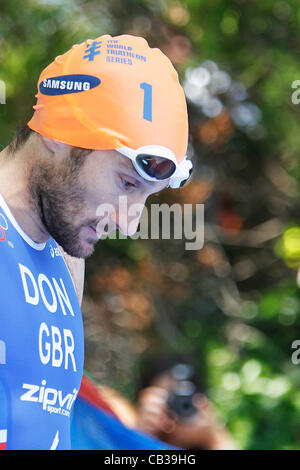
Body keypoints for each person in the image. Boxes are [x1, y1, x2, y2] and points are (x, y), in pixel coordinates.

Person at [0, 34, 193, 450]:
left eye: (147, 196)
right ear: (59, 133)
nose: (128, 222)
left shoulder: (67, 258)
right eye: (126, 182)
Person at [134, 353, 237, 450]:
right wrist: (140, 436)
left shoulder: (210, 438)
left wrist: (213, 437)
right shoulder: (138, 432)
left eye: (185, 399)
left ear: (201, 403)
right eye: (169, 399)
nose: (178, 407)